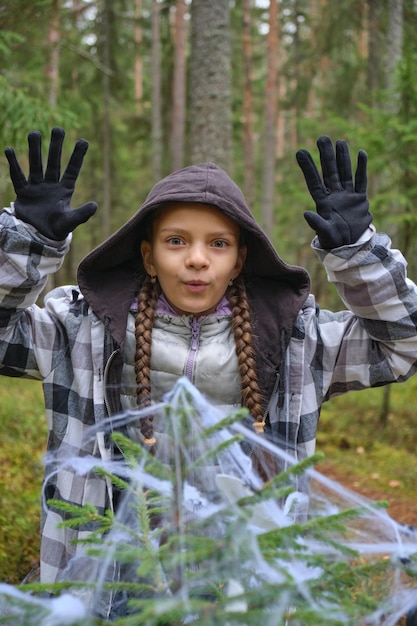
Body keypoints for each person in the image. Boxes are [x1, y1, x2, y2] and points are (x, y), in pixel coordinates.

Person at [1, 127, 417, 603]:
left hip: (240, 589)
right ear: (149, 256)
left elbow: (403, 346)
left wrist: (359, 255)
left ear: (240, 260)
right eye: (176, 241)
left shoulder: (298, 341)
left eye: (217, 244)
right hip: (104, 587)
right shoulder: (82, 332)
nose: (197, 259)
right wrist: (25, 244)